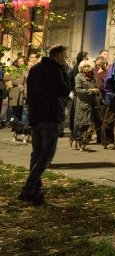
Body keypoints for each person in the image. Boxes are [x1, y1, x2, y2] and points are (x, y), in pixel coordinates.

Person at [19, 45, 70, 205]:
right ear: (58, 56)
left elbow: (31, 93)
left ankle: (35, 189)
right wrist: (64, 72)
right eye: (65, 56)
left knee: (37, 153)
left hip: (36, 116)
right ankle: (28, 188)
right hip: (50, 116)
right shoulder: (56, 71)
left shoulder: (35, 69)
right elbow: (65, 90)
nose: (65, 59)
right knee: (47, 154)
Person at [72, 59, 102, 150]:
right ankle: (77, 140)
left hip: (93, 104)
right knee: (82, 125)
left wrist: (97, 91)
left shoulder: (93, 77)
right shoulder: (78, 77)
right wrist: (90, 91)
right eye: (84, 66)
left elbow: (96, 87)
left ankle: (84, 143)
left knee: (91, 126)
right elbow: (78, 90)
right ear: (81, 68)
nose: (86, 68)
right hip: (83, 104)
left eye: (88, 66)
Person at [67, 51, 88, 140]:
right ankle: (75, 133)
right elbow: (68, 82)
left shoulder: (87, 70)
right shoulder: (73, 70)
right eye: (85, 58)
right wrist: (71, 92)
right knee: (75, 115)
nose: (86, 60)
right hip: (76, 96)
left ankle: (82, 134)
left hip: (84, 97)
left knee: (83, 117)